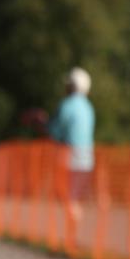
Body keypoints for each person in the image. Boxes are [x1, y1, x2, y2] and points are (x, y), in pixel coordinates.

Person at [48, 67, 95, 222]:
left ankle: (70, 237)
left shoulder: (67, 105)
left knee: (66, 198)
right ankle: (72, 234)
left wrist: (42, 124)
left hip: (69, 158)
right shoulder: (89, 108)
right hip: (87, 160)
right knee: (73, 199)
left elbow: (55, 131)